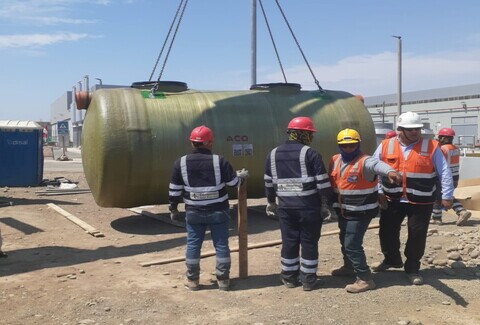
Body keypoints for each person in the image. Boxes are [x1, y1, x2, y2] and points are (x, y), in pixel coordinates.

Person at [372, 111, 454, 285]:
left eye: (417, 129)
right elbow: (375, 168)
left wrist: (447, 195)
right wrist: (378, 190)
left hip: (421, 201)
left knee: (417, 234)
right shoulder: (386, 145)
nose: (415, 132)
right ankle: (392, 259)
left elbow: (444, 171)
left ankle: (412, 267)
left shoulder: (432, 146)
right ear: (399, 129)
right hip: (392, 198)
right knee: (387, 232)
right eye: (411, 129)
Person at [168, 125, 248, 291]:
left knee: (193, 244)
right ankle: (223, 280)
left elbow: (174, 190)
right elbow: (234, 183)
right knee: (221, 245)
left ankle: (192, 280)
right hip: (218, 211)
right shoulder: (220, 161)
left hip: (194, 212)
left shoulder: (180, 163)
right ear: (210, 143)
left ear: (192, 143)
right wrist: (242, 177)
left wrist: (173, 209)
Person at [329, 128, 402, 293]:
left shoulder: (366, 161)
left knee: (352, 244)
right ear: (339, 146)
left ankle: (365, 278)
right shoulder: (335, 160)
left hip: (361, 211)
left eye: (352, 145)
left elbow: (378, 165)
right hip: (343, 210)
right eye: (344, 146)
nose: (348, 149)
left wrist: (390, 172)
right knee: (344, 239)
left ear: (358, 144)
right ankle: (349, 267)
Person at [264, 116, 331, 291]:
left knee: (289, 241)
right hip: (309, 208)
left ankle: (289, 277)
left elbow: (268, 182)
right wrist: (325, 204)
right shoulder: (311, 154)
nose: (312, 137)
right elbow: (322, 183)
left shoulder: (272, 154)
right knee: (309, 242)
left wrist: (271, 202)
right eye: (310, 134)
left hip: (286, 208)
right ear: (302, 134)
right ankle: (308, 280)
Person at [430, 127, 471, 226]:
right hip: (455, 177)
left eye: (440, 137)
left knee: (437, 195)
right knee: (445, 195)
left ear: (444, 138)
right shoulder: (456, 149)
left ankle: (438, 217)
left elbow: (438, 163)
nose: (439, 138)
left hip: (445, 177)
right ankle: (460, 211)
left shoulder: (443, 149)